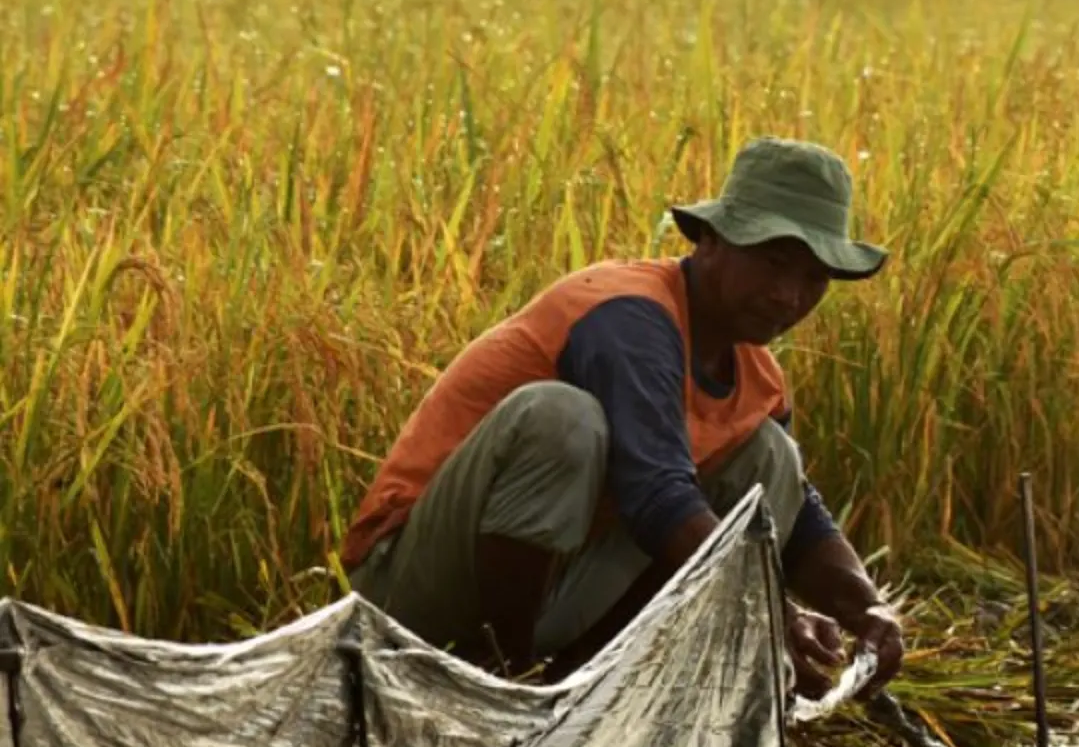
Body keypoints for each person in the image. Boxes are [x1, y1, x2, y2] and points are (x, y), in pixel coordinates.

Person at [337, 137, 904, 699]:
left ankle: (577, 682)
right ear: (710, 241)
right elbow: (656, 493)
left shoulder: (759, 376)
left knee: (770, 459)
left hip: (552, 589)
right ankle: (504, 679)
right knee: (563, 418)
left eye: (813, 278)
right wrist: (775, 616)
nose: (789, 295)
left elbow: (799, 521)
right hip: (412, 592)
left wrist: (868, 608)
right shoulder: (628, 316)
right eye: (774, 262)